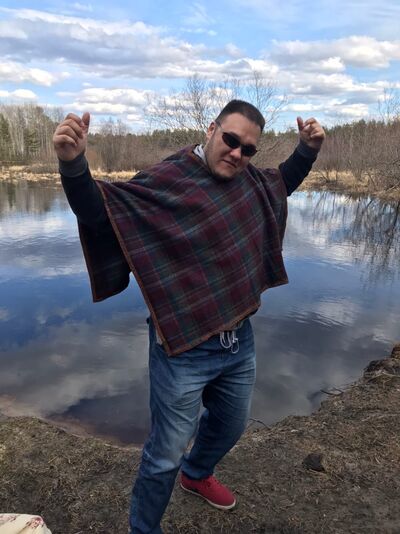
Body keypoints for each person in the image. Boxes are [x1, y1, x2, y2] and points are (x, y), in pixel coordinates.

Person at [53, 100, 325, 534]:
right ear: (211, 129)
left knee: (231, 425)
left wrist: (307, 150)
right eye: (231, 140)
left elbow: (282, 183)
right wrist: (73, 164)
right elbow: (101, 210)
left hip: (238, 338)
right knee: (165, 454)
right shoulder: (166, 180)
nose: (237, 153)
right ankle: (144, 528)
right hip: (182, 347)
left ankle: (196, 474)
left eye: (248, 149)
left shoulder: (248, 181)